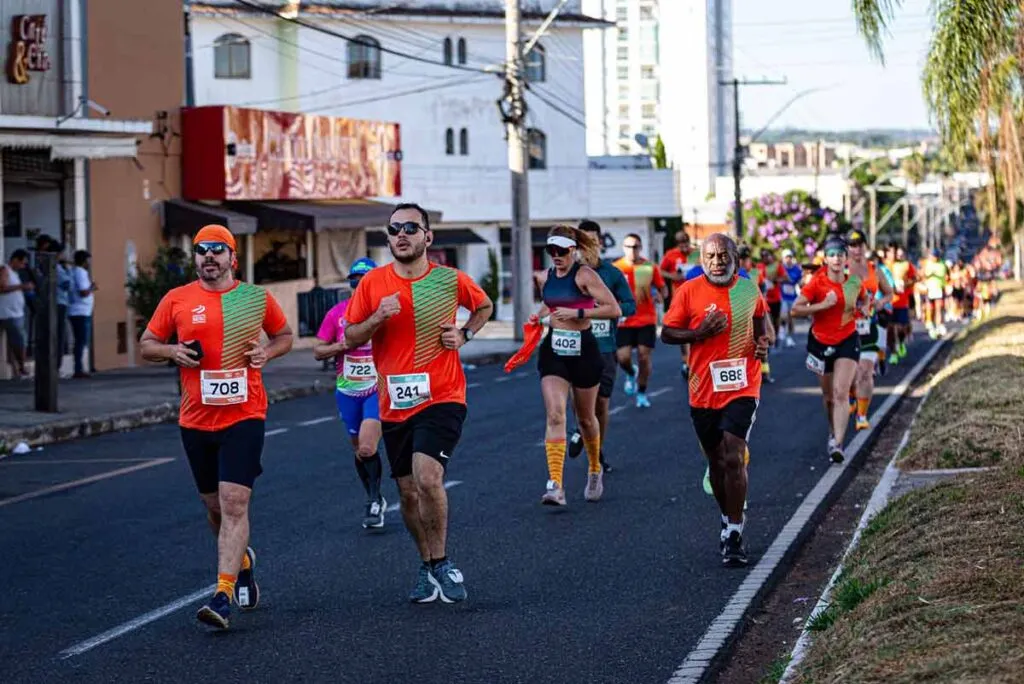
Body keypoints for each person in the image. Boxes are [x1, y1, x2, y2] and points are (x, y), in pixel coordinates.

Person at [140, 224, 294, 629]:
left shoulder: (255, 297)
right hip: (196, 419)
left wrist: (266, 352)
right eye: (201, 250)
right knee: (213, 508)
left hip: (245, 414)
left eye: (217, 250)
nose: (208, 256)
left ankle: (222, 596)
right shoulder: (177, 299)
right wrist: (172, 350)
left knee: (233, 503)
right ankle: (242, 562)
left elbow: (284, 335)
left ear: (232, 258)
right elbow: (146, 344)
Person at [344, 203, 493, 604]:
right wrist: (377, 318)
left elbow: (483, 306)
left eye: (411, 227)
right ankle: (426, 566)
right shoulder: (373, 285)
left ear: (428, 236)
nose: (402, 234)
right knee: (408, 493)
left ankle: (442, 561)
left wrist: (464, 335)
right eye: (394, 229)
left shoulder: (450, 280)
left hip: (442, 395)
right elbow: (352, 337)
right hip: (393, 403)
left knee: (428, 478)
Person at [661, 233, 771, 566]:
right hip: (703, 389)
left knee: (734, 455)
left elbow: (761, 323)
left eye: (723, 255)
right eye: (709, 256)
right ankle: (727, 517)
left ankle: (734, 532)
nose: (716, 262)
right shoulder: (688, 292)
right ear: (701, 260)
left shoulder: (749, 289)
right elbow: (667, 332)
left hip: (743, 384)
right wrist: (698, 334)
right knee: (716, 462)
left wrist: (763, 344)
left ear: (735, 257)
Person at [533, 225, 622, 506]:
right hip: (554, 349)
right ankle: (556, 485)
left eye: (562, 251)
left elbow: (613, 308)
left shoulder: (585, 275)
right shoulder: (547, 276)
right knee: (556, 414)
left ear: (573, 250)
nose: (556, 256)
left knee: (585, 418)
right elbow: (551, 305)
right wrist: (538, 315)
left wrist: (578, 312)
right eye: (552, 251)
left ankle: (594, 467)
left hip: (583, 348)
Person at [313, 257, 387, 530]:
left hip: (376, 389)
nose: (360, 286)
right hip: (347, 390)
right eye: (356, 281)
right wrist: (342, 345)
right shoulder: (338, 314)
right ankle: (375, 494)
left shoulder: (384, 313)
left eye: (366, 281)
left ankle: (373, 501)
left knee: (368, 445)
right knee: (360, 452)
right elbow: (319, 349)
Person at [566, 220, 636, 473]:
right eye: (583, 241)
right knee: (577, 398)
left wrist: (608, 312)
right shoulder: (569, 273)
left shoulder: (612, 274)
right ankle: (579, 427)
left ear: (599, 243)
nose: (588, 247)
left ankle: (596, 452)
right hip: (576, 344)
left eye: (592, 241)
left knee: (602, 404)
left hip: (605, 346)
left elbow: (629, 304)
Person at [792, 233, 868, 464]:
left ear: (846, 259)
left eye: (840, 255)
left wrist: (864, 309)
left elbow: (864, 300)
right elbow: (796, 309)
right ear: (825, 259)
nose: (836, 259)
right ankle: (832, 430)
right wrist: (823, 305)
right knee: (828, 398)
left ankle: (838, 443)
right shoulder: (817, 282)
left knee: (840, 392)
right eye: (831, 255)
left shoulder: (854, 282)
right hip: (820, 342)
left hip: (847, 339)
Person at [847, 230, 893, 431]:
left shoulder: (874, 269)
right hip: (845, 328)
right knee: (850, 374)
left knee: (865, 371)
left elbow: (890, 293)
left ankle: (862, 415)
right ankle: (850, 396)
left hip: (869, 326)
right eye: (852, 245)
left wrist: (881, 302)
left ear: (865, 246)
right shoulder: (842, 269)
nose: (857, 249)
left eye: (860, 245)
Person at [614, 233, 667, 407]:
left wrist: (660, 295)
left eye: (635, 246)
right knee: (623, 358)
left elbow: (662, 289)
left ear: (640, 248)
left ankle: (642, 393)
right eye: (628, 247)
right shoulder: (616, 268)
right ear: (623, 248)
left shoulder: (650, 267)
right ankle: (630, 372)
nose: (632, 250)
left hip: (646, 319)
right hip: (624, 320)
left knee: (644, 356)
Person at [660, 230, 700, 379]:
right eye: (681, 245)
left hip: (696, 296)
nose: (684, 248)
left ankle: (695, 360)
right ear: (677, 244)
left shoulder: (696, 254)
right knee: (683, 331)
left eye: (686, 244)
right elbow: (661, 270)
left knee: (695, 329)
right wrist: (673, 276)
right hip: (679, 298)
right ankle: (686, 362)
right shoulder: (670, 255)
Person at [0, 249, 33, 378]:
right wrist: (22, 287)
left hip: (15, 312)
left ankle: (17, 368)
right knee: (20, 341)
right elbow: (2, 288)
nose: (23, 266)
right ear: (15, 260)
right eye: (22, 263)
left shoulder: (14, 273)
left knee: (16, 342)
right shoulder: (5, 270)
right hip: (8, 313)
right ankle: (22, 367)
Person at [885, 246, 916, 366]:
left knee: (902, 328)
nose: (897, 256)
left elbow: (914, 278)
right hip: (888, 302)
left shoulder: (906, 265)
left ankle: (902, 342)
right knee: (890, 329)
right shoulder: (884, 266)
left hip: (902, 301)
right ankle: (893, 353)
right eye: (893, 253)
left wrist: (905, 284)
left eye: (898, 254)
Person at [68, 250, 97, 378]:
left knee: (80, 340)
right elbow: (83, 292)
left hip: (78, 310)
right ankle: (78, 368)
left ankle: (78, 367)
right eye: (88, 260)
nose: (89, 263)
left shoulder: (74, 272)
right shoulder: (81, 273)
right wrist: (92, 287)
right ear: (84, 261)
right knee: (81, 340)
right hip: (81, 311)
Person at [923, 249, 950, 338]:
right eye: (931, 256)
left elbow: (942, 274)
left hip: (939, 288)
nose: (932, 258)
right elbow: (926, 274)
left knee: (939, 308)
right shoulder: (927, 264)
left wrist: (933, 273)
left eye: (933, 256)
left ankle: (939, 326)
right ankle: (930, 324)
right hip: (930, 289)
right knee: (930, 308)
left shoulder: (942, 264)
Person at [779, 249, 802, 348]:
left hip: (792, 297)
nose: (788, 259)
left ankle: (789, 337)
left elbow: (798, 281)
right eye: (786, 257)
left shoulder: (796, 269)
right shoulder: (780, 269)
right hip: (782, 296)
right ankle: (782, 331)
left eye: (789, 257)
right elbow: (776, 279)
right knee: (783, 316)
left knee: (791, 318)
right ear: (783, 259)